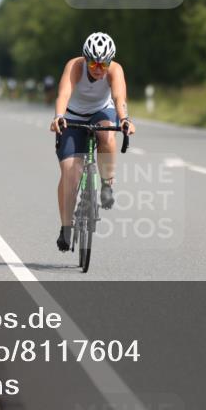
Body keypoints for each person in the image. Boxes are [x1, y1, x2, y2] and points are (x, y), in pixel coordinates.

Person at [49, 32, 136, 251]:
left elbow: (119, 98)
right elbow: (63, 94)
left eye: (103, 64)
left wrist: (125, 120)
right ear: (86, 59)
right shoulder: (75, 66)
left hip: (101, 111)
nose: (98, 68)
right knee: (71, 171)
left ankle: (107, 183)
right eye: (94, 63)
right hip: (72, 115)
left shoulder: (115, 70)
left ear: (110, 61)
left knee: (107, 134)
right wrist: (58, 116)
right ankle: (66, 227)